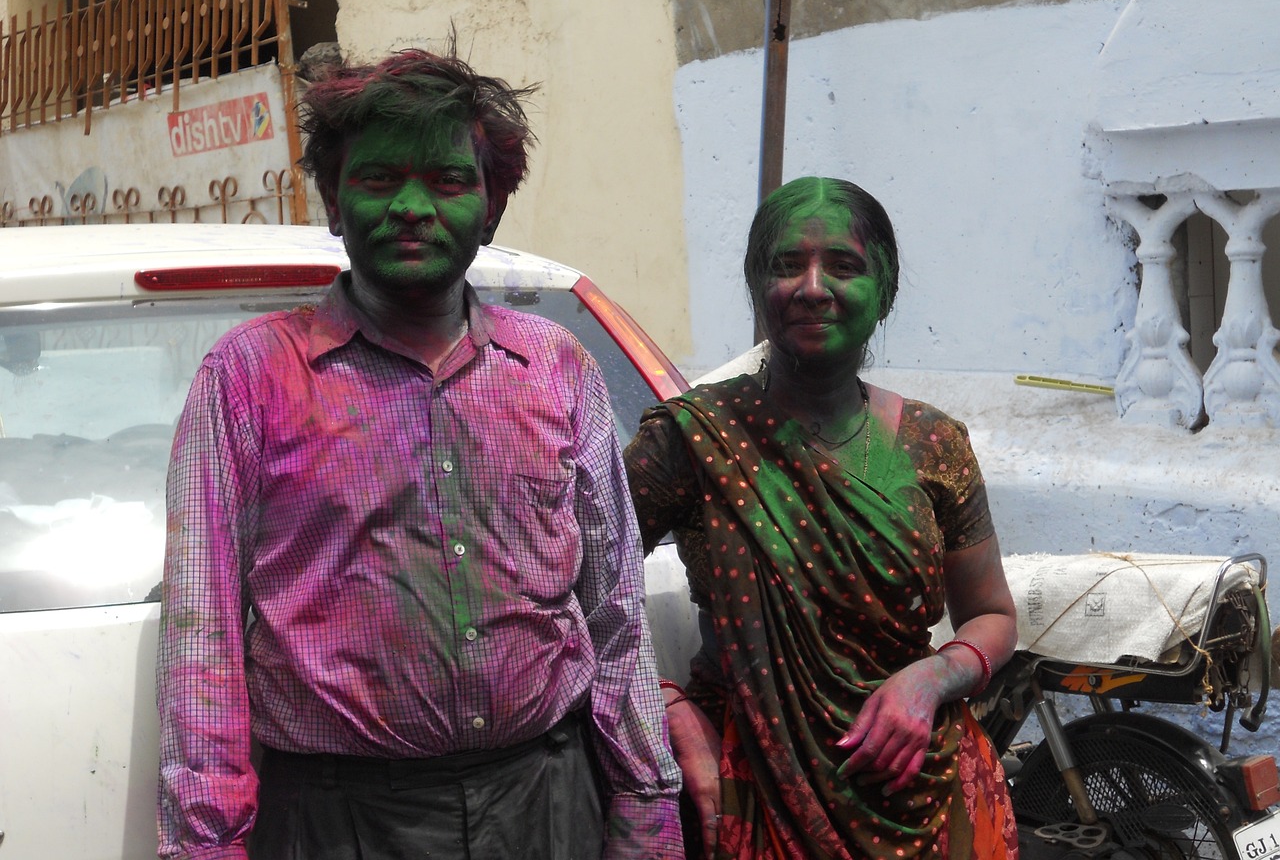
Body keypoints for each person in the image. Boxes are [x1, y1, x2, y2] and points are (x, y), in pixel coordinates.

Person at [156, 46, 683, 860]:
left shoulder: (555, 368)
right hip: (340, 821)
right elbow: (205, 638)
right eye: (376, 180)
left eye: (447, 180)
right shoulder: (249, 377)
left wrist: (648, 808)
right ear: (333, 200)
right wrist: (206, 845)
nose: (411, 206)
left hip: (547, 803)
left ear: (492, 206)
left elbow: (614, 613)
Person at [625, 176, 1019, 859]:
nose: (812, 286)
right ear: (756, 287)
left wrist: (930, 679)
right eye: (786, 265)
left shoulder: (935, 443)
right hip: (750, 788)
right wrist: (660, 704)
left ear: (884, 289)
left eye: (844, 265)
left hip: (926, 790)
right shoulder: (692, 439)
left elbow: (992, 615)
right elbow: (569, 592)